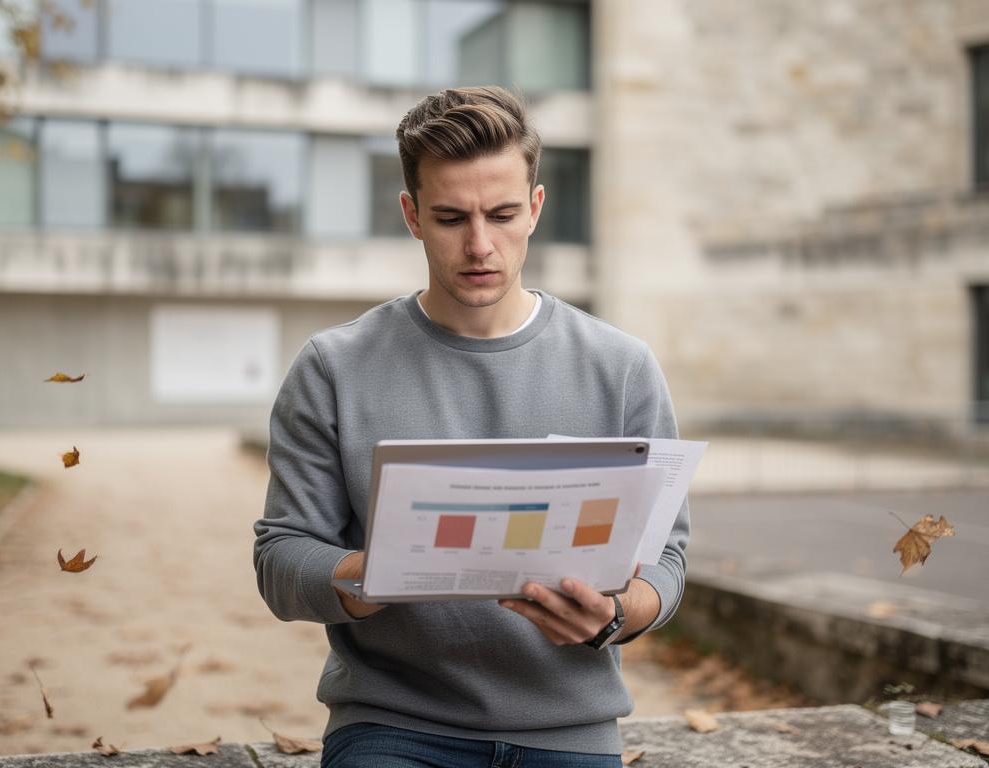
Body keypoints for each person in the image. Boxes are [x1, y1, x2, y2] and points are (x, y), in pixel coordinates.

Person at [253, 85, 689, 767]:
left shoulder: (622, 367)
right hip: (393, 725)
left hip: (570, 729)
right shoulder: (334, 367)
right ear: (412, 215)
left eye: (504, 214)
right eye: (452, 217)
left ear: (536, 208)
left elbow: (666, 562)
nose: (480, 245)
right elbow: (281, 560)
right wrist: (376, 574)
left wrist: (612, 618)